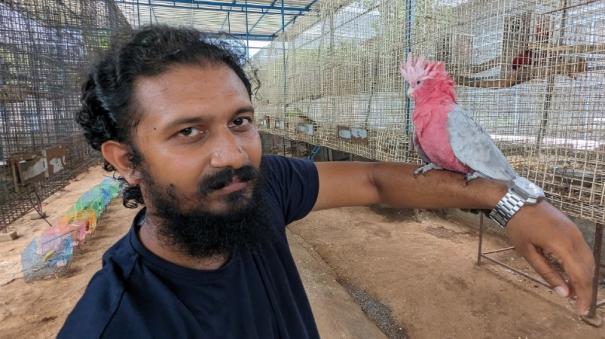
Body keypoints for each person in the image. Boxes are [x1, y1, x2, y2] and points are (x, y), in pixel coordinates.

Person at [59, 25, 594, 338]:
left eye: (240, 121)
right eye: (189, 132)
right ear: (126, 160)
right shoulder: (116, 324)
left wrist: (512, 200)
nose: (232, 155)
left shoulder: (260, 189)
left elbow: (374, 180)